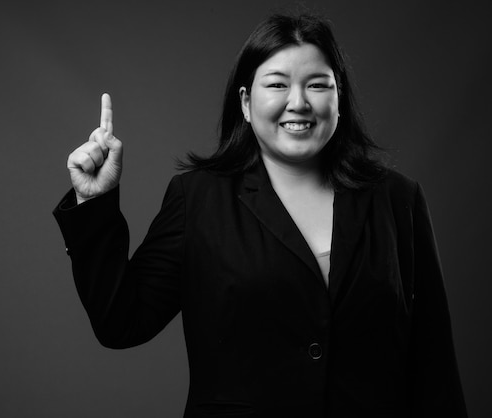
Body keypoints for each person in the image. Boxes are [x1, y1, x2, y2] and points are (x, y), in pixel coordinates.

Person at [53, 14, 467, 418]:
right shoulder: (198, 197)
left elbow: (434, 365)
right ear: (247, 103)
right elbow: (121, 322)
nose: (299, 102)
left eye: (318, 85)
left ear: (339, 99)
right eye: (277, 84)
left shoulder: (398, 199)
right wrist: (95, 202)